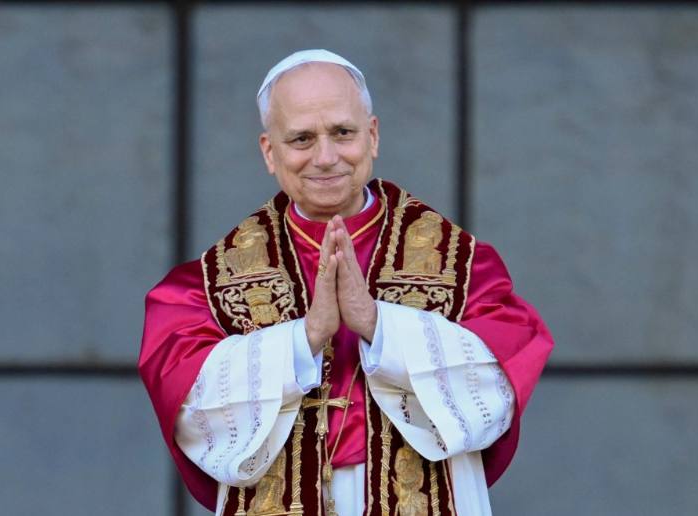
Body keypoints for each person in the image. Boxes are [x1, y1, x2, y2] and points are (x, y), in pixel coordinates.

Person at [139, 49, 554, 516]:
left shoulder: (461, 265)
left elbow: (500, 381)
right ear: (269, 152)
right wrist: (304, 338)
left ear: (372, 136)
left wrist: (378, 325)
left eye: (342, 133)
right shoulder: (211, 283)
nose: (325, 157)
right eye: (301, 138)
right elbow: (189, 402)